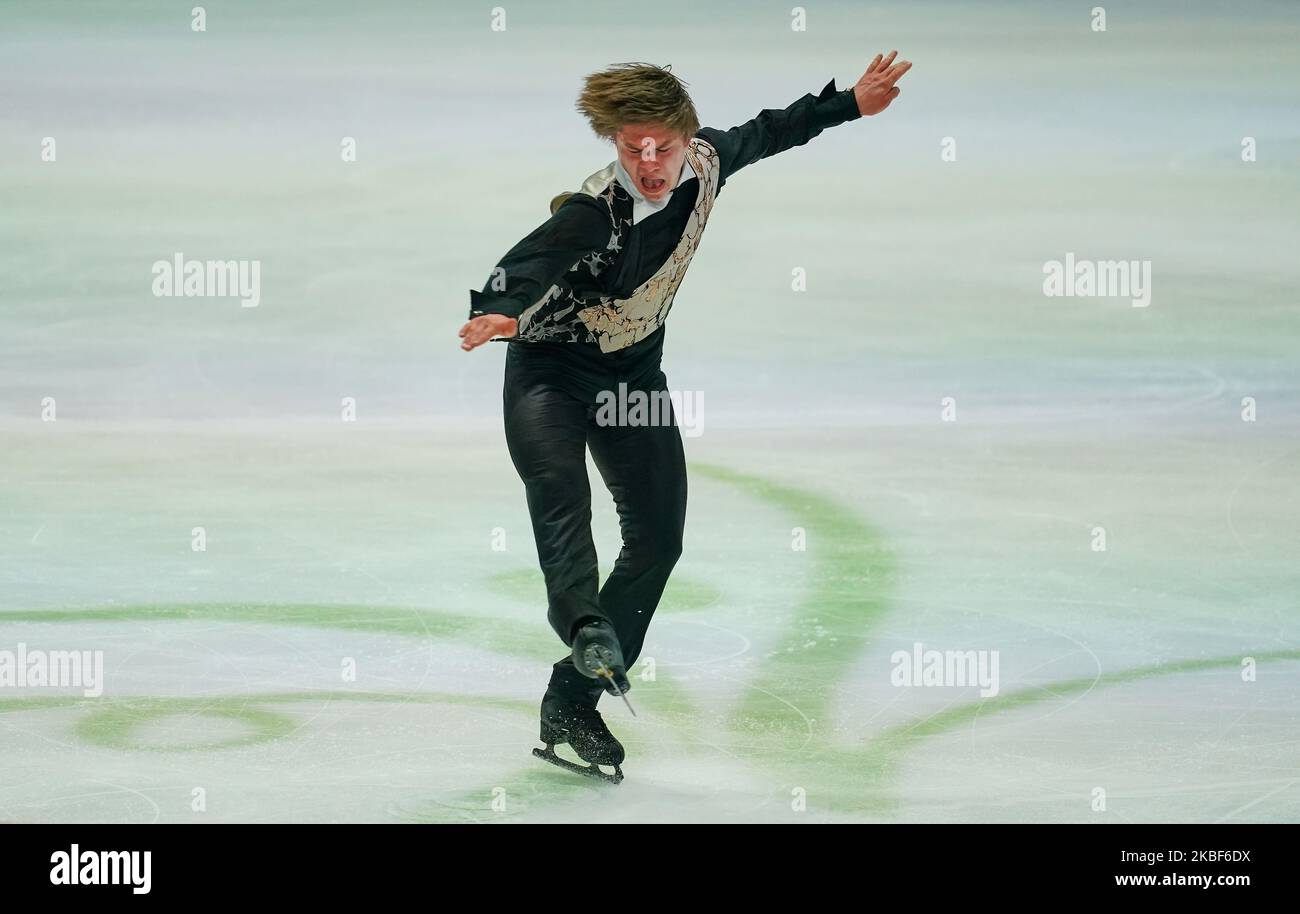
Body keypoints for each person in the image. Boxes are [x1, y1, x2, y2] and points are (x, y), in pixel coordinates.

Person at [459, 54, 912, 782]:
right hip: (550, 375)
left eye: (661, 146)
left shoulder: (706, 161)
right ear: (613, 143)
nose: (648, 162)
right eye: (631, 147)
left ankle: (572, 699)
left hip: (631, 377)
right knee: (560, 497)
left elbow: (771, 131)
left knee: (658, 539)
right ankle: (586, 630)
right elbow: (527, 262)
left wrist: (850, 103)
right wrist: (496, 310)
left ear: (685, 135)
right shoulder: (593, 211)